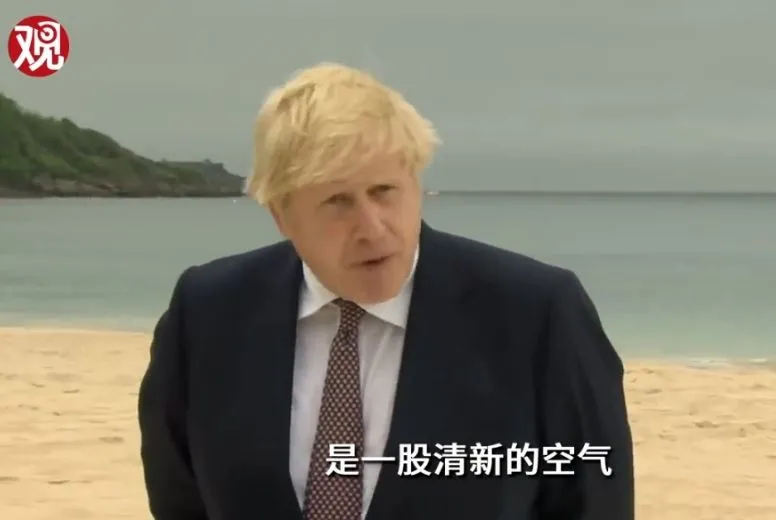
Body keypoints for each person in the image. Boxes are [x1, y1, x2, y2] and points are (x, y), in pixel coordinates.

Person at [137, 62, 634, 520]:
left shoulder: (537, 314)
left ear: (415, 184)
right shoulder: (208, 314)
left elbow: (594, 502)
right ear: (282, 216)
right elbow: (179, 499)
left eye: (384, 192)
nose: (373, 228)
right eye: (338, 202)